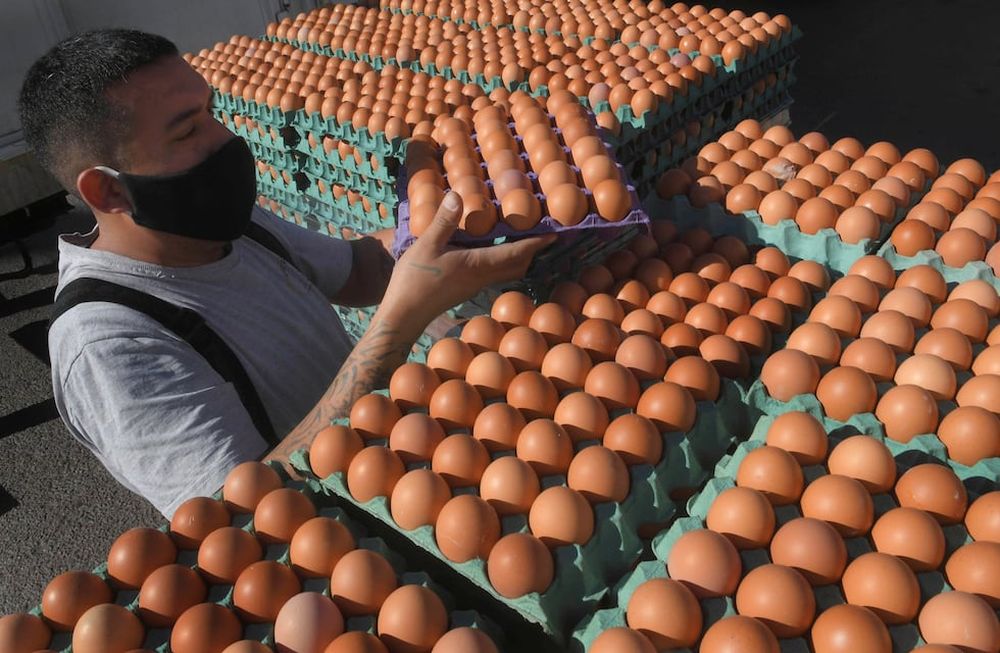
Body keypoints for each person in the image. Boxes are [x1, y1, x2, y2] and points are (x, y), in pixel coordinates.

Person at [19, 29, 554, 517]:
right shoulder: (110, 343)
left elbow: (356, 273)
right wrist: (403, 318)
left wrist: (455, 220)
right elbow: (247, 517)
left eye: (209, 112)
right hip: (349, 552)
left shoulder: (221, 224)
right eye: (187, 133)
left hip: (397, 469)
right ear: (108, 190)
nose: (223, 140)